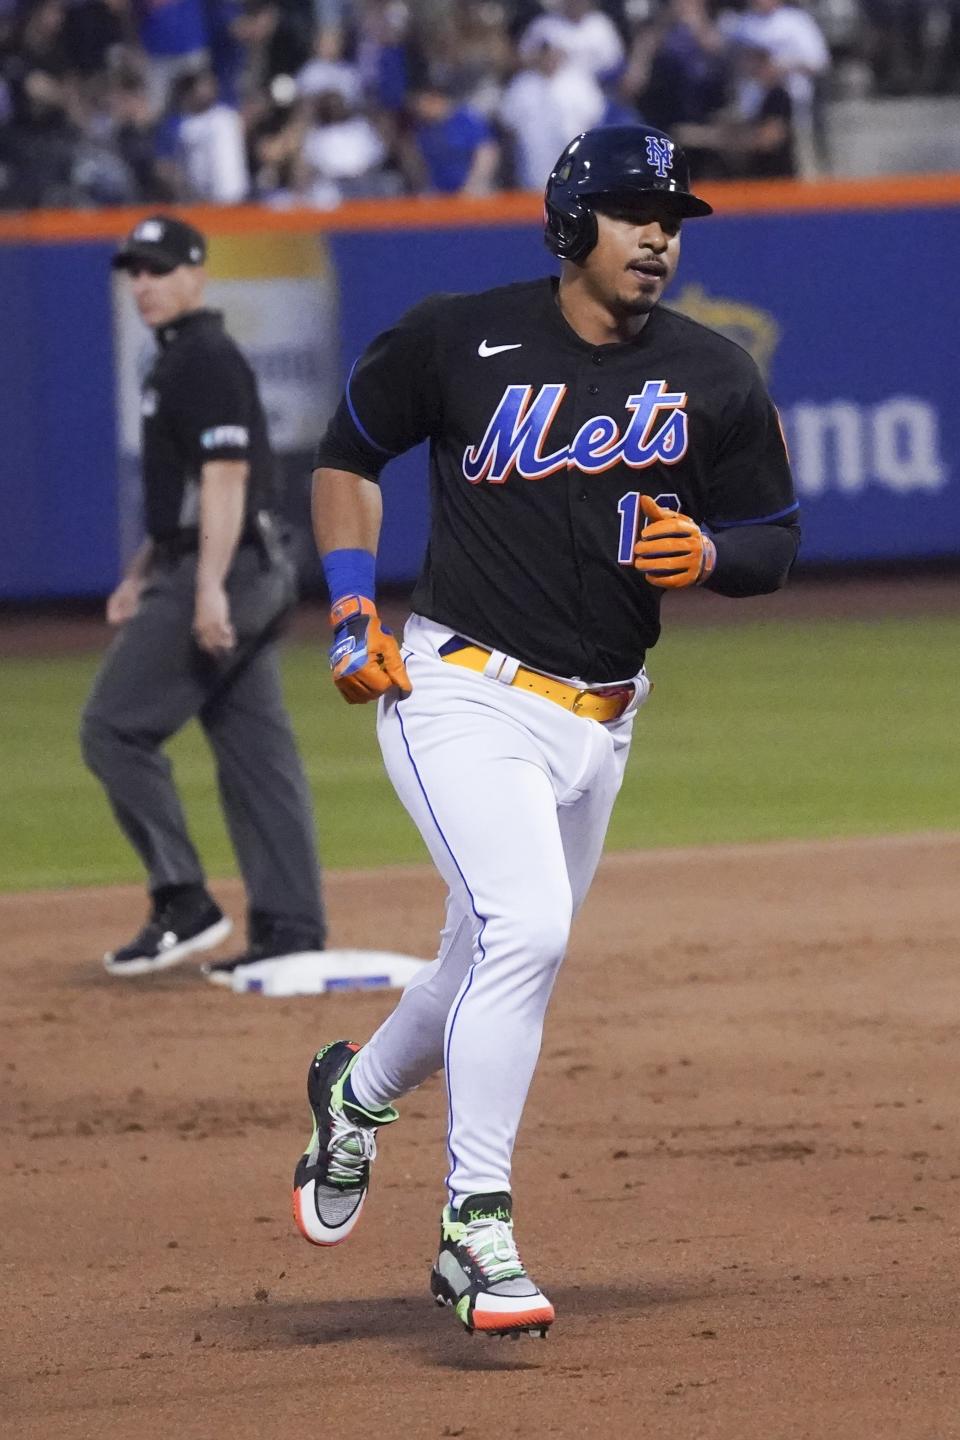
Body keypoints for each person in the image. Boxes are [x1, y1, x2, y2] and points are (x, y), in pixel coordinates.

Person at [292, 124, 800, 1338]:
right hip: (457, 690)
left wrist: (718, 555)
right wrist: (355, 603)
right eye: (633, 212)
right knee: (530, 927)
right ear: (572, 223)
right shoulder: (459, 334)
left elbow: (775, 535)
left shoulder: (715, 373)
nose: (659, 236)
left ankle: (353, 1095)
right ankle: (476, 1227)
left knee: (482, 955)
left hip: (602, 725)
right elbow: (345, 457)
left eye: (671, 217)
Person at [81, 214, 326, 979]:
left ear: (196, 273)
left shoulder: (205, 358)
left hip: (231, 568)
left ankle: (184, 898)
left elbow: (225, 479)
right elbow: (193, 491)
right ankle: (289, 926)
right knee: (255, 748)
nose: (143, 284)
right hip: (234, 562)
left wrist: (208, 591)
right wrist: (140, 570)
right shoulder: (179, 359)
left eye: (157, 269)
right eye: (135, 272)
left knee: (114, 729)